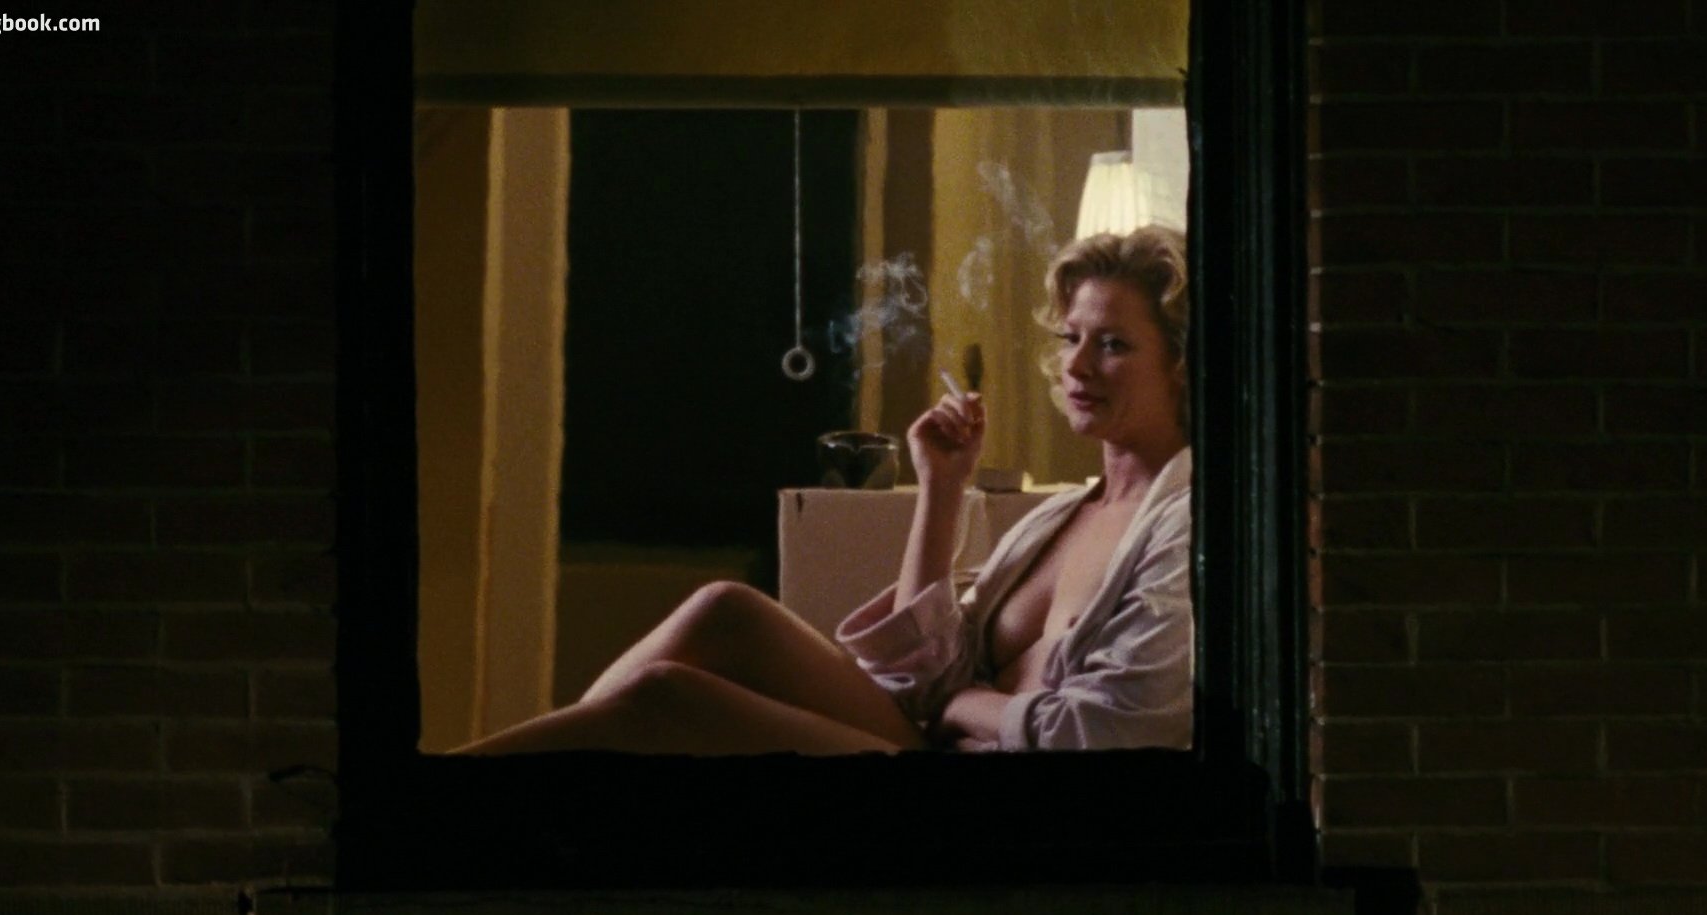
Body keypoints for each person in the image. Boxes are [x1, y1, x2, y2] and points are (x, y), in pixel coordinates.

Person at [452, 224, 1192, 756]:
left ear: (1183, 368)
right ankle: (479, 793)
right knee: (723, 609)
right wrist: (940, 489)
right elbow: (920, 682)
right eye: (1070, 338)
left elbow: (1107, 730)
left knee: (667, 698)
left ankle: (430, 808)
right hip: (936, 739)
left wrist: (967, 705)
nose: (1077, 366)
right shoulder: (1064, 515)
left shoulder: (1187, 527)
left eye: (1113, 344)